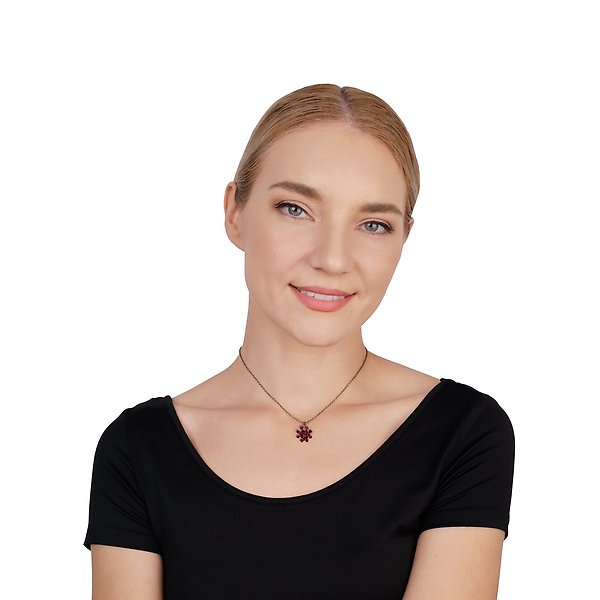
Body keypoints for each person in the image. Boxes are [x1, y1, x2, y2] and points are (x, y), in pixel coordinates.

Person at [83, 83, 515, 599]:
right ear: (234, 212)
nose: (332, 258)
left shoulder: (461, 433)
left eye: (373, 224)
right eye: (295, 209)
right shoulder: (139, 449)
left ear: (404, 237)